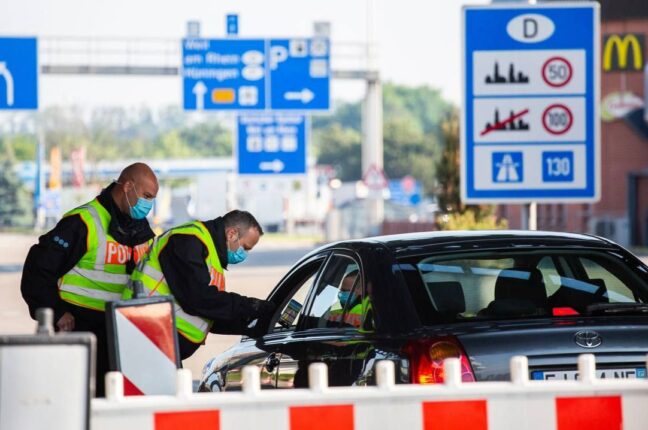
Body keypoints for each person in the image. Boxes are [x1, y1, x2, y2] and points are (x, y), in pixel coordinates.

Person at [21, 163, 159, 396]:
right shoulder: (83, 222)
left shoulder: (141, 231)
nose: (149, 204)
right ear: (128, 186)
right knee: (78, 401)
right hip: (79, 329)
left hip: (121, 332)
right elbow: (38, 270)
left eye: (152, 198)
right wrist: (55, 312)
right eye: (146, 196)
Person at [126, 210, 276, 360]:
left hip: (160, 342)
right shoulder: (187, 240)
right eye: (245, 247)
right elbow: (199, 299)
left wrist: (248, 325)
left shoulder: (211, 255)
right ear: (231, 234)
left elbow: (211, 313)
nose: (244, 254)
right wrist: (252, 306)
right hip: (146, 335)